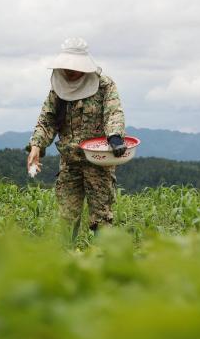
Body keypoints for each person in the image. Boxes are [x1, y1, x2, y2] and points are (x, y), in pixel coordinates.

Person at [27, 37, 126, 239]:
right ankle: (66, 260)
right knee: (66, 216)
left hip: (98, 161)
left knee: (101, 217)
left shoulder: (104, 85)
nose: (69, 72)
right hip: (70, 162)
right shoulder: (58, 89)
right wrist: (36, 145)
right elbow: (47, 120)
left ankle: (102, 261)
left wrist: (115, 136)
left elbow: (113, 112)